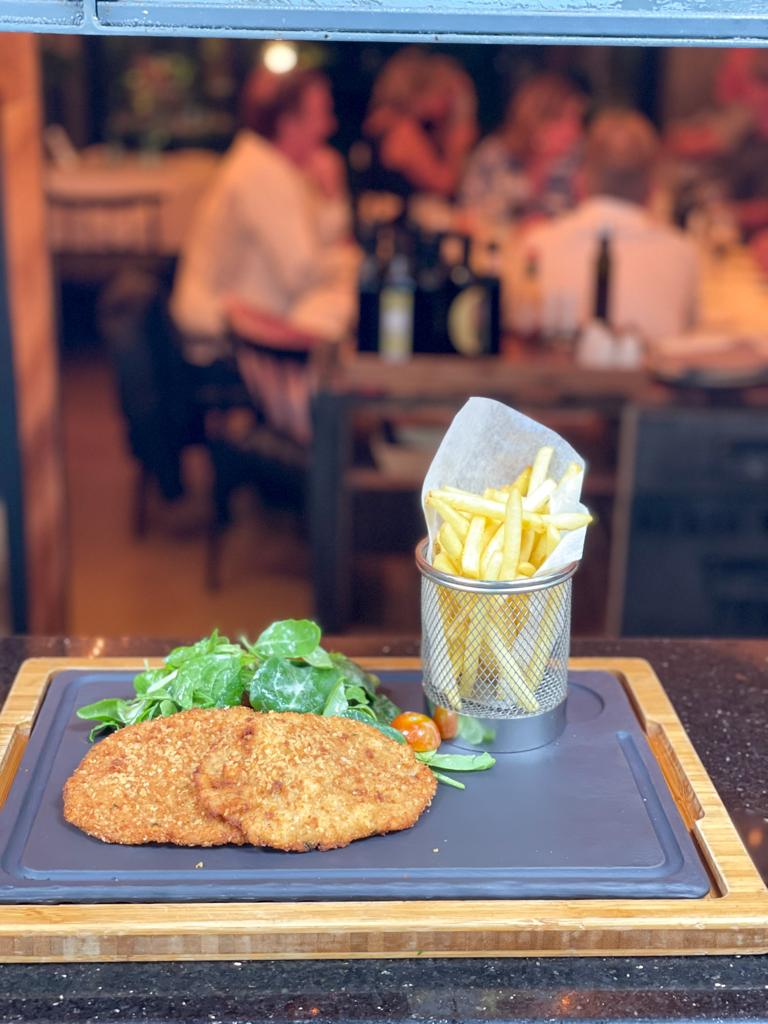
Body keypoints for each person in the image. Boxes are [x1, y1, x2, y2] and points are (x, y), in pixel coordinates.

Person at [171, 66, 359, 363]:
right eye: (321, 115)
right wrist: (355, 262)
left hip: (256, 319)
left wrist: (333, 193)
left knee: (338, 307)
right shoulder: (261, 173)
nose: (330, 126)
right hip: (225, 337)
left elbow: (324, 239)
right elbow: (302, 273)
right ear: (288, 124)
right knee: (337, 317)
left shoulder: (278, 168)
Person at [509, 109, 699, 343]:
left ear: (579, 181)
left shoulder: (535, 245)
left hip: (554, 377)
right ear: (653, 189)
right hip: (645, 378)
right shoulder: (682, 252)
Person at [460, 72, 586, 226]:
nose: (576, 130)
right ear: (539, 121)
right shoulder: (494, 155)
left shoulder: (577, 163)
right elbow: (470, 214)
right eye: (568, 120)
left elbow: (581, 224)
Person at [359, 48, 478, 199]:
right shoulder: (403, 131)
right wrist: (458, 141)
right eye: (448, 93)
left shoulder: (381, 121)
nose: (450, 105)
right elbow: (444, 185)